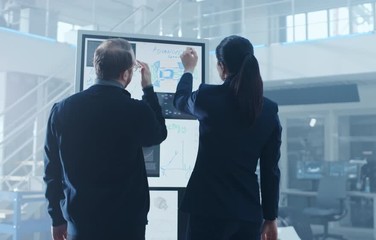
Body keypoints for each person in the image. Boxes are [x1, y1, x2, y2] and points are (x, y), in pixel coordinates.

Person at [44, 38, 167, 240]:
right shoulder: (136, 111)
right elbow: (159, 133)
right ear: (126, 73)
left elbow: (52, 169)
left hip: (81, 222)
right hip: (127, 223)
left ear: (97, 67)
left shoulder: (62, 110)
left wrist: (56, 218)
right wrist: (148, 89)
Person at [174, 35, 282, 240]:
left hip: (207, 210)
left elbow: (180, 100)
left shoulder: (207, 98)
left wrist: (188, 70)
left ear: (221, 67)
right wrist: (270, 218)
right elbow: (271, 170)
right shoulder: (268, 110)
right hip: (246, 213)